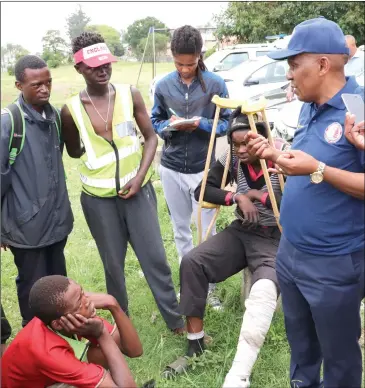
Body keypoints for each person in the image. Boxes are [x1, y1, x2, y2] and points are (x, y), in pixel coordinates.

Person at [245, 17, 364, 387]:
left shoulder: (357, 110)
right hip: (292, 253)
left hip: (333, 262)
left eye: (295, 65)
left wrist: (320, 169)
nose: (290, 74)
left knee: (339, 356)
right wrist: (274, 153)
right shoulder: (309, 105)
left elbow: (327, 168)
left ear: (323, 65)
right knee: (301, 348)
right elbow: (307, 158)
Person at [61, 32, 184, 334]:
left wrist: (140, 177)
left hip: (138, 194)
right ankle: (122, 326)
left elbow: (152, 136)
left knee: (155, 260)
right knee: (113, 267)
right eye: (94, 67)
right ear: (79, 68)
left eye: (107, 63)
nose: (103, 70)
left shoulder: (130, 94)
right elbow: (74, 150)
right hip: (98, 201)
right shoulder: (70, 110)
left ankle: (177, 322)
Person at [175, 108, 288, 387]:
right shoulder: (231, 159)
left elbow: (301, 199)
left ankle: (239, 374)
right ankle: (195, 342)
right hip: (242, 231)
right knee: (192, 262)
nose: (240, 149)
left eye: (246, 143)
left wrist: (263, 195)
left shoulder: (282, 156)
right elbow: (202, 189)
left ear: (261, 138)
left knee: (263, 291)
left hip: (277, 236)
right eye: (235, 144)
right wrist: (238, 196)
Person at [150, 25, 230, 309]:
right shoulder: (162, 86)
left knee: (205, 231)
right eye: (179, 64)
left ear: (200, 56)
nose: (184, 69)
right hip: (171, 168)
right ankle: (190, 287)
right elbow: (154, 121)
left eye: (190, 63)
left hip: (203, 168)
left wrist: (201, 123)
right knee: (180, 229)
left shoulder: (216, 84)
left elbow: (229, 123)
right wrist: (168, 128)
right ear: (172, 57)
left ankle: (210, 289)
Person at [1, 55, 74, 327]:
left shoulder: (54, 116)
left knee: (58, 285)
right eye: (36, 84)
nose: (44, 89)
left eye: (48, 82)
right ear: (19, 85)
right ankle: (34, 338)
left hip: (57, 223)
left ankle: (61, 336)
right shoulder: (9, 122)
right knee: (33, 287)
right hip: (25, 228)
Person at [1, 275, 142, 387]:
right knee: (104, 344)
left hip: (49, 379)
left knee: (100, 351)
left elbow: (134, 350)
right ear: (57, 324)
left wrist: (113, 304)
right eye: (79, 303)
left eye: (82, 293)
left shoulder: (70, 316)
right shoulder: (47, 350)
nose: (88, 302)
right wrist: (101, 334)